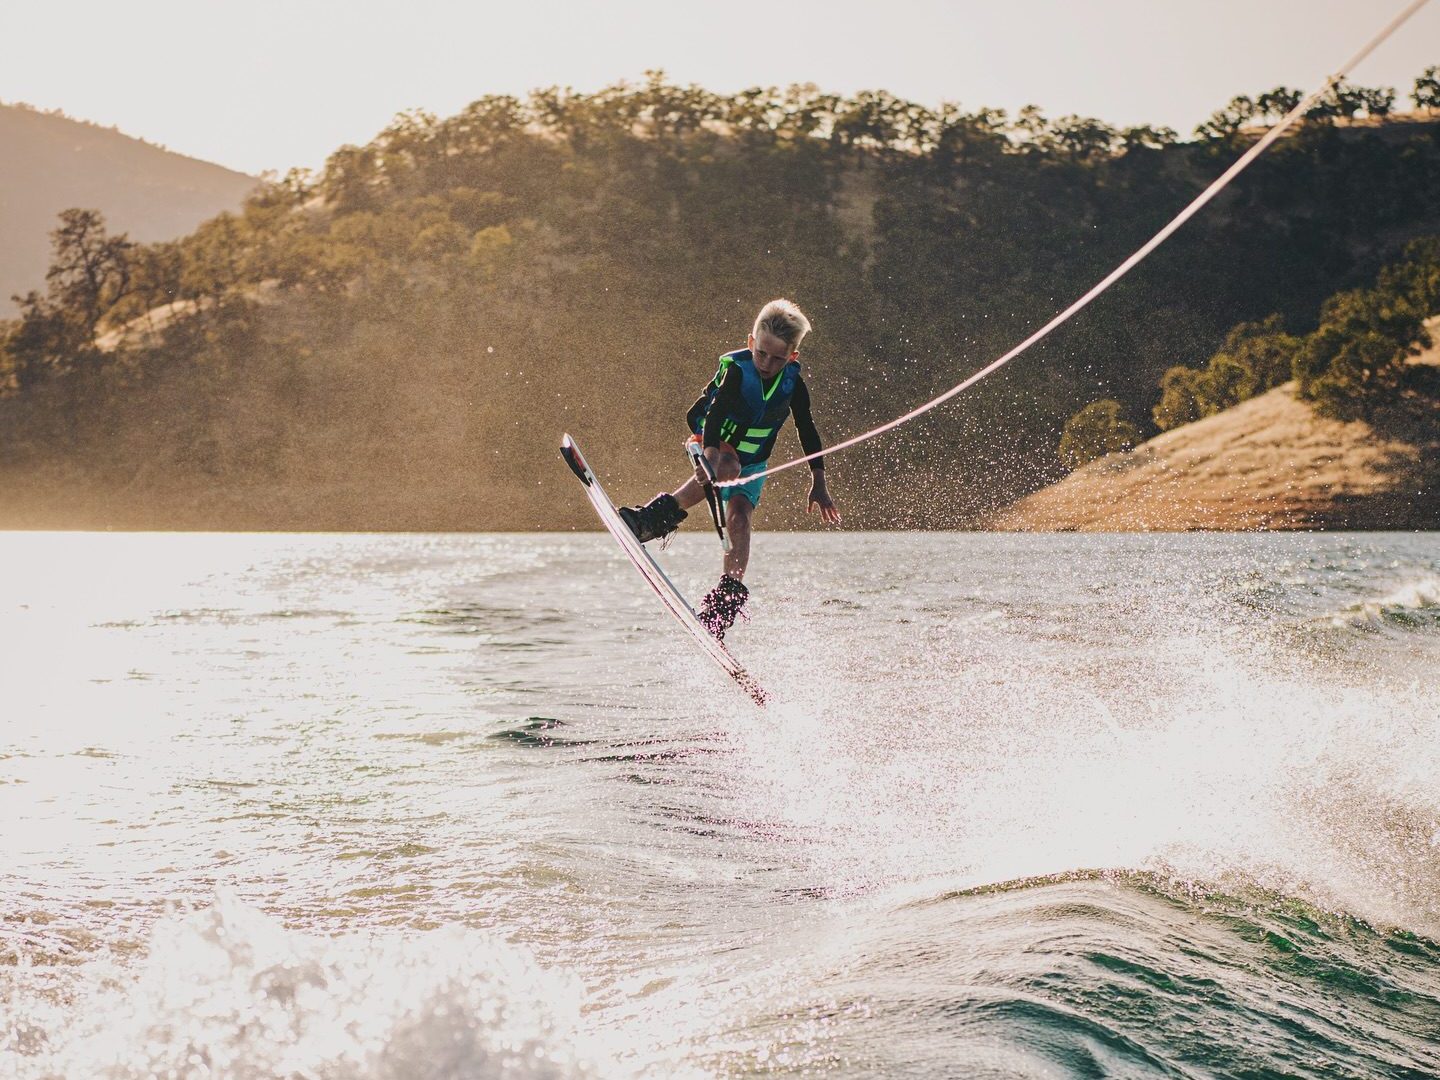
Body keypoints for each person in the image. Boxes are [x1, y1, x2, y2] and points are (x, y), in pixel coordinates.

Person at [619, 299, 841, 639]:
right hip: (712, 439)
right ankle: (651, 520)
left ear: (792, 357)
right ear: (751, 343)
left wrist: (819, 480)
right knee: (728, 464)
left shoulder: (793, 384)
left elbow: (807, 429)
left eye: (778, 358)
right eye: (761, 353)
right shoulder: (738, 371)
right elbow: (718, 411)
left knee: (740, 517)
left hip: (754, 462)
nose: (767, 364)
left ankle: (724, 604)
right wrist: (708, 455)